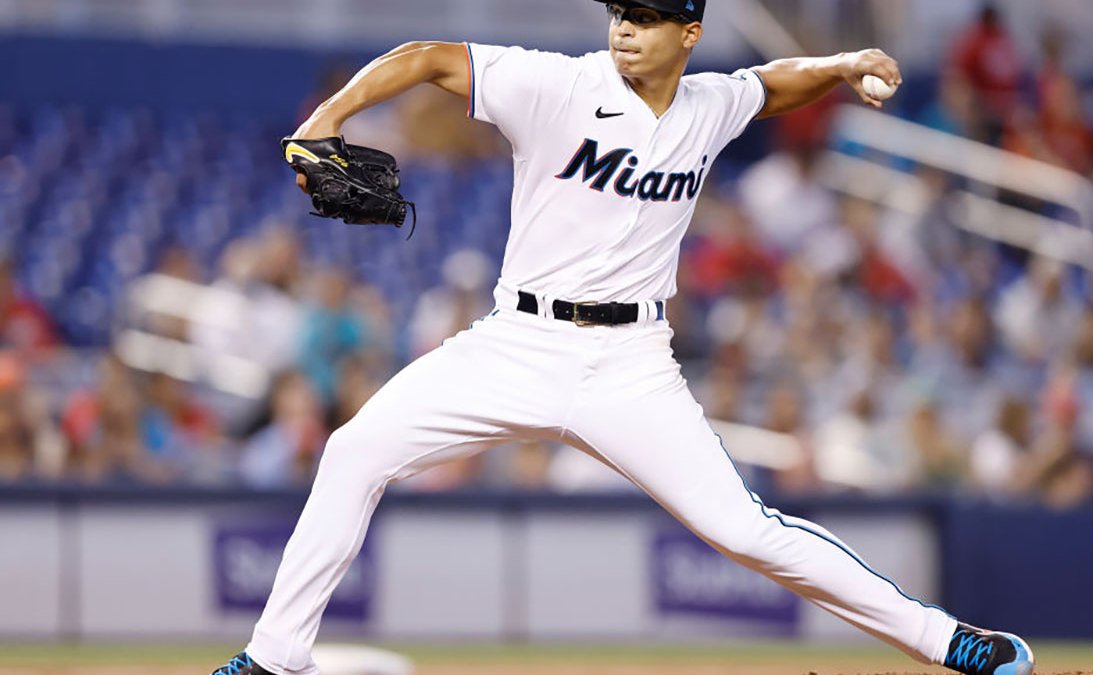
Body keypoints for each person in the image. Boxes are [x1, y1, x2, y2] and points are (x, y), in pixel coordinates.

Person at [212, 2, 1035, 674]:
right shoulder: (556, 86)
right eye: (619, 13)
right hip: (516, 341)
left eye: (646, 15)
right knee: (355, 450)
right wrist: (331, 113)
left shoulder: (709, 104)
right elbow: (428, 55)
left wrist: (835, 66)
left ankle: (944, 639)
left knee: (746, 531)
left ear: (690, 33)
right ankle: (275, 655)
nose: (625, 28)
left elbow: (769, 87)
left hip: (630, 366)